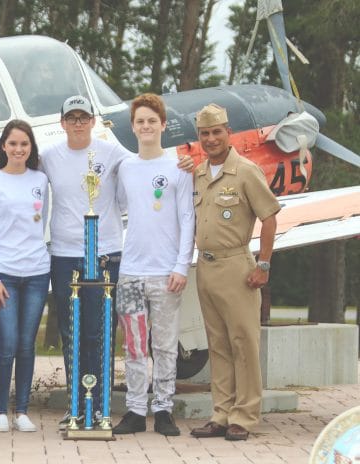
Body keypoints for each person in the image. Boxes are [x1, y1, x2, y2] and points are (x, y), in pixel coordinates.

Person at [41, 95, 193, 428]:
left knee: (115, 334)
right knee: (101, 337)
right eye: (72, 117)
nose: (78, 123)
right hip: (98, 263)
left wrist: (190, 163)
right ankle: (91, 406)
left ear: (94, 121)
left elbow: (181, 208)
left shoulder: (118, 157)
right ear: (63, 122)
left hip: (113, 256)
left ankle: (132, 406)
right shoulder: (51, 156)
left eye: (84, 117)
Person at [189, 104, 280, 442]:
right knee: (218, 345)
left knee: (243, 343)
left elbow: (269, 216)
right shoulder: (198, 173)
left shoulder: (245, 171)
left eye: (216, 132)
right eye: (205, 133)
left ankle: (244, 415)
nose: (211, 139)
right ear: (199, 137)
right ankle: (220, 413)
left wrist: (264, 265)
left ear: (228, 133)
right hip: (206, 267)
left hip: (237, 266)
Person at [113, 94, 194, 436]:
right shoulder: (126, 168)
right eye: (140, 122)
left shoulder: (179, 166)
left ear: (163, 125)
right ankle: (134, 409)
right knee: (134, 345)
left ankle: (163, 409)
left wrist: (181, 265)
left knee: (163, 345)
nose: (146, 126)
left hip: (166, 274)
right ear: (133, 128)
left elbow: (188, 219)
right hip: (131, 272)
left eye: (152, 121)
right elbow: (116, 208)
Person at [0, 120, 50, 433]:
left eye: (24, 144)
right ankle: (0, 409)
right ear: (3, 146)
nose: (18, 149)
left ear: (31, 148)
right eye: (13, 144)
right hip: (3, 275)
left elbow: (42, 223)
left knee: (26, 345)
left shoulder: (41, 180)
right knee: (6, 343)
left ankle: (22, 410)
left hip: (35, 274)